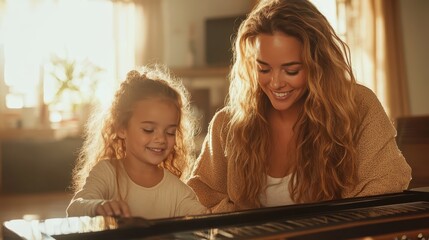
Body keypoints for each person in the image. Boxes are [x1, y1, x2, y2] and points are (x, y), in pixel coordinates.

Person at [187, 0, 412, 213]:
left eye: (291, 70)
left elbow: (386, 182)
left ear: (318, 63)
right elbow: (200, 197)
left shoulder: (357, 107)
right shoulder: (227, 124)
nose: (275, 83)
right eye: (263, 69)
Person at [67, 65, 207, 219]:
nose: (161, 139)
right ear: (121, 128)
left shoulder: (179, 192)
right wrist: (100, 206)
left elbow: (205, 223)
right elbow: (75, 208)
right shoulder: (106, 173)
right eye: (148, 129)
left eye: (170, 132)